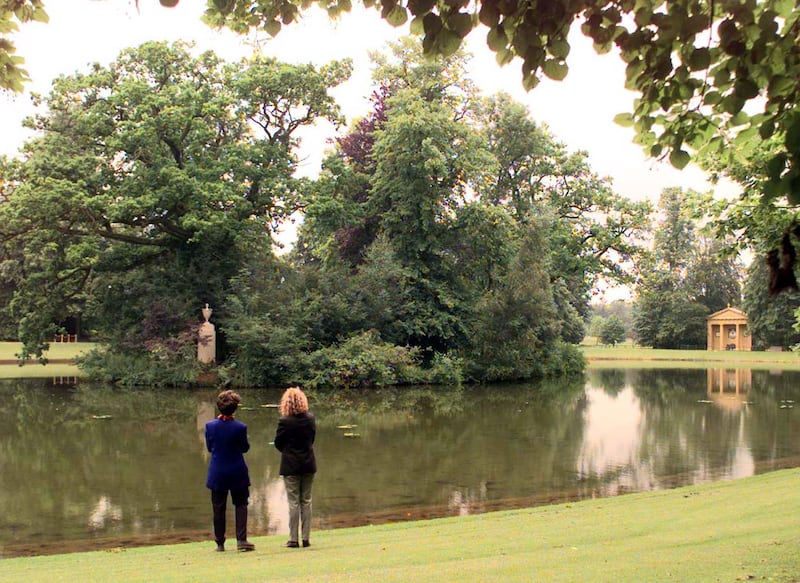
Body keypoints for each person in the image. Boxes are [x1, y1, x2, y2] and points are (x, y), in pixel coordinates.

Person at [205, 390, 255, 552]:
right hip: (237, 471)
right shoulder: (240, 427)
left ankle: (220, 543)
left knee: (218, 507)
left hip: (217, 472)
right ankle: (241, 540)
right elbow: (245, 448)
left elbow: (210, 447)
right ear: (235, 408)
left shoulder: (210, 426)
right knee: (241, 504)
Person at [274, 386, 317, 548]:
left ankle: (293, 539)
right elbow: (311, 439)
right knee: (306, 501)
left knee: (293, 502)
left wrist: (287, 452)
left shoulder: (284, 421)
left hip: (290, 465)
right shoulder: (310, 418)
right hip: (308, 463)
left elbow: (278, 443)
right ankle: (306, 538)